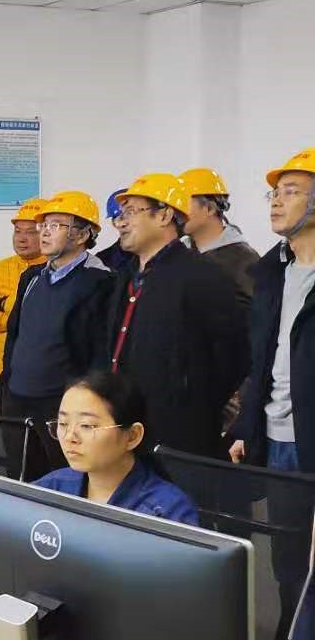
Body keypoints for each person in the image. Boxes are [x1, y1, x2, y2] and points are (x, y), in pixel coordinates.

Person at [0, 370, 198, 580]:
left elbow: (176, 599)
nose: (70, 437)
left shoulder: (166, 512)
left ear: (132, 436)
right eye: (62, 424)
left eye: (87, 426)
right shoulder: (56, 485)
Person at [232, 148, 315, 640]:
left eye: (291, 191)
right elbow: (259, 357)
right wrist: (248, 423)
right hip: (280, 435)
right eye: (275, 192)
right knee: (288, 562)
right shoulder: (271, 271)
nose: (276, 202)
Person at [107, 173, 249, 459]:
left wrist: (191, 404)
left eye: (131, 212)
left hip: (178, 434)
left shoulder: (202, 276)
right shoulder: (126, 278)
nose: (121, 222)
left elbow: (234, 356)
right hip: (126, 422)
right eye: (121, 214)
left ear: (164, 216)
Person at [0, 191, 112, 479]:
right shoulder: (32, 277)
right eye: (44, 225)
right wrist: (8, 380)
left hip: (62, 403)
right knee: (21, 476)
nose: (45, 232)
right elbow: (15, 333)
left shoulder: (100, 281)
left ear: (82, 234)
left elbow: (99, 349)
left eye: (56, 225)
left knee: (66, 479)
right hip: (17, 397)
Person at [0, 198, 46, 412]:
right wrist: (13, 321)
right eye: (17, 231)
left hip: (42, 375)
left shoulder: (55, 269)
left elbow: (41, 315)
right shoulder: (1, 268)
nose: (22, 238)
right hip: (4, 371)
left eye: (30, 232)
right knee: (8, 429)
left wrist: (3, 304)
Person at [180, 167, 261, 306]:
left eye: (184, 203)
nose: (176, 211)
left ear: (210, 209)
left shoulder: (243, 261)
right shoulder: (179, 253)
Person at [96, 189, 133, 273]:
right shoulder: (102, 261)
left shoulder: (160, 254)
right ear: (114, 224)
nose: (123, 223)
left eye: (130, 214)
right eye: (119, 218)